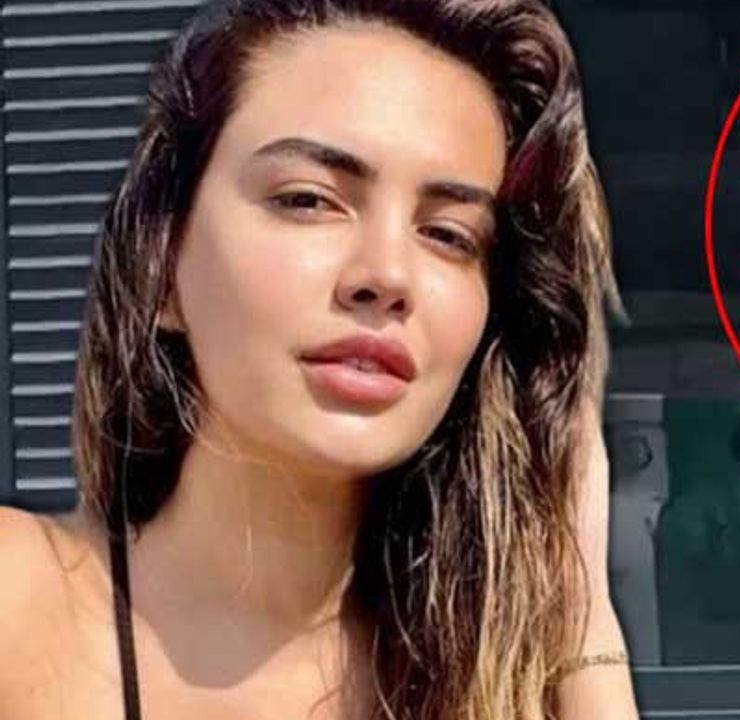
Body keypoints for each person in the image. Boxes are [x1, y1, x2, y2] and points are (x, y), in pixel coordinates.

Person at [0, 0, 637, 718]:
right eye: (308, 200)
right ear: (162, 266)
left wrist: (580, 618)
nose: (387, 275)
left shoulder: (501, 678)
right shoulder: (18, 603)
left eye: (449, 235)